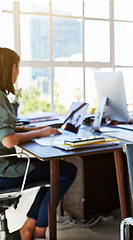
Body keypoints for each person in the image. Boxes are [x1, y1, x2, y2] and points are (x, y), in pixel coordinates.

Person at [0, 48, 77, 239]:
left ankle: (30, 226)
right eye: (18, 68)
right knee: (64, 171)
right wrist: (41, 132)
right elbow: (8, 141)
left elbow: (7, 131)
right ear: (12, 68)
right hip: (4, 172)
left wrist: (30, 131)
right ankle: (36, 229)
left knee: (52, 173)